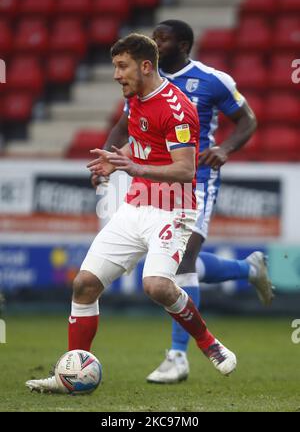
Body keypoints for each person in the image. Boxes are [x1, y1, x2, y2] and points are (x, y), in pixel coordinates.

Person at [25, 33, 237, 393]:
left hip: (173, 211)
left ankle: (208, 343)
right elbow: (140, 137)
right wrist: (114, 161)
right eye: (114, 66)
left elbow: (186, 169)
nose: (115, 74)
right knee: (84, 284)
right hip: (136, 205)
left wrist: (133, 167)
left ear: (145, 66)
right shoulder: (135, 98)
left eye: (121, 66)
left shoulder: (177, 108)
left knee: (155, 286)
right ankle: (71, 374)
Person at [92, 20, 274, 384]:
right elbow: (124, 125)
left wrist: (224, 148)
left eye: (164, 38)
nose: (156, 42)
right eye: (154, 37)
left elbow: (247, 120)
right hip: (151, 183)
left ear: (185, 44)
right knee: (178, 264)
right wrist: (108, 160)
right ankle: (248, 269)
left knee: (182, 263)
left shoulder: (212, 80)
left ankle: (177, 356)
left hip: (198, 180)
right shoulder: (145, 83)